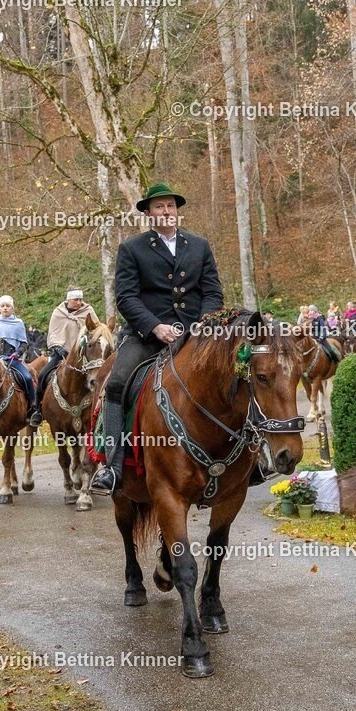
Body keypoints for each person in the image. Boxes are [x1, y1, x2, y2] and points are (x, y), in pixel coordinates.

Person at [90, 182, 224, 494]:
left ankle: (248, 459)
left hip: (194, 333)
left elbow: (212, 291)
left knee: (231, 374)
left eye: (171, 206)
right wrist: (155, 327)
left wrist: (202, 325)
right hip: (146, 336)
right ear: (149, 213)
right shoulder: (132, 248)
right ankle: (111, 465)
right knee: (116, 383)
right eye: (160, 207)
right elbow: (126, 297)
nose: (166, 211)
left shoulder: (199, 246)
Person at [30, 288, 100, 427]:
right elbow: (53, 333)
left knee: (100, 377)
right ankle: (37, 410)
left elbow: (97, 330)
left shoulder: (88, 311)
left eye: (80, 299)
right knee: (43, 375)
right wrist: (57, 346)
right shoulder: (58, 313)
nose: (79, 302)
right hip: (62, 354)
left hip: (85, 355)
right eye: (75, 300)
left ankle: (102, 410)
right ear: (68, 300)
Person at [0, 295, 39, 423]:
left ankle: (33, 406)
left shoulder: (18, 324)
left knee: (27, 377)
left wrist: (17, 354)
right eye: (2, 306)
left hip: (12, 359)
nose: (5, 308)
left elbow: (24, 344)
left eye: (8, 306)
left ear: (12, 308)